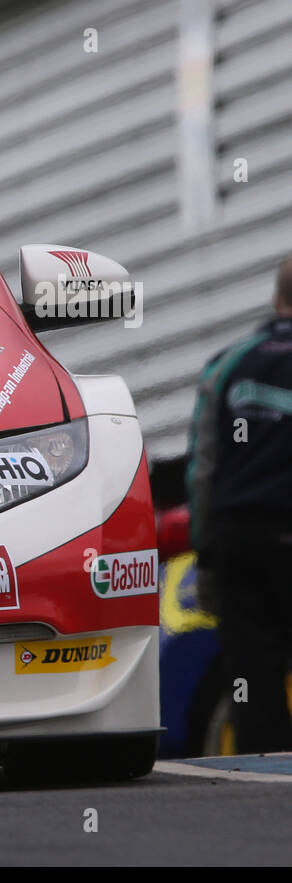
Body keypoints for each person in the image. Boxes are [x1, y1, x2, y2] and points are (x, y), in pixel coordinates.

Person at [186, 255, 292, 753]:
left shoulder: (228, 364)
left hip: (240, 538)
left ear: (277, 298)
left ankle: (264, 777)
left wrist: (206, 557)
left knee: (253, 675)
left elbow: (203, 470)